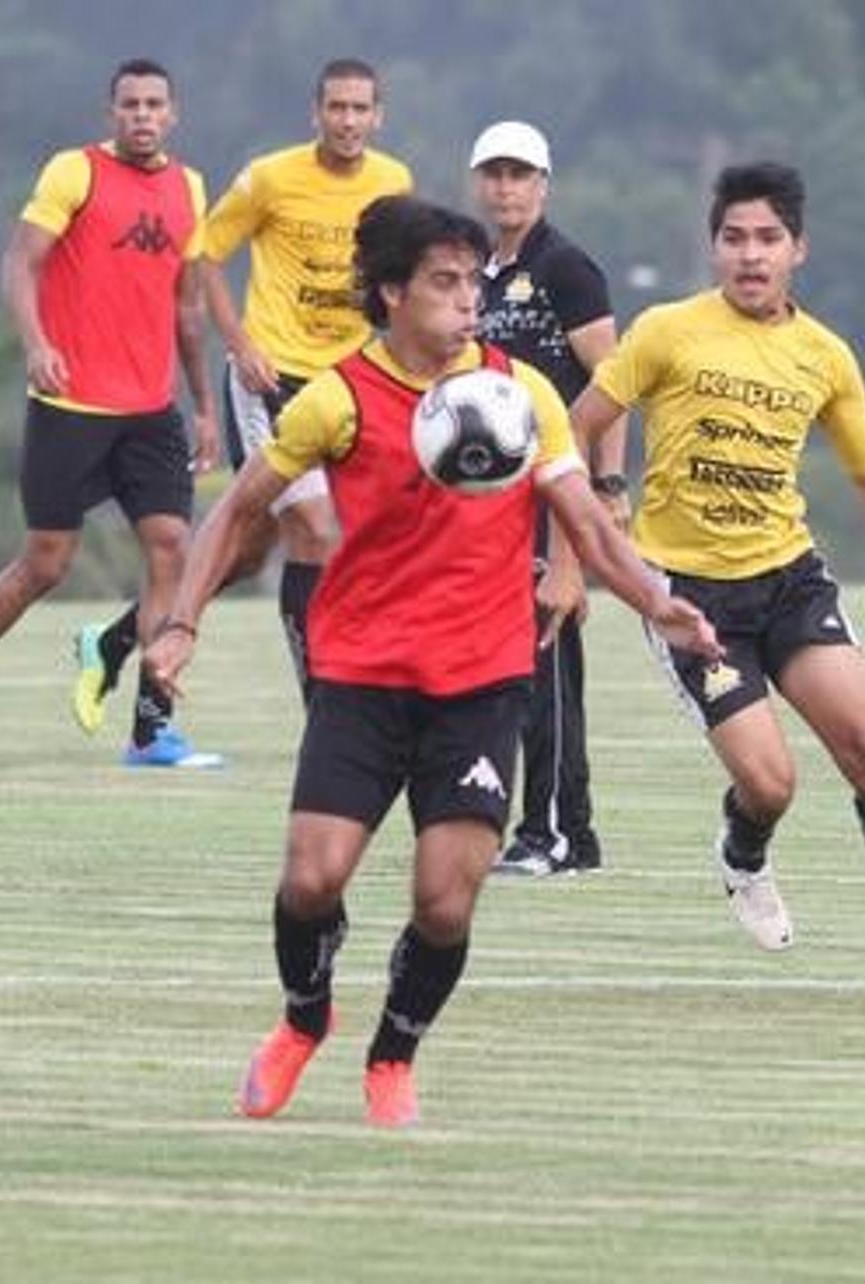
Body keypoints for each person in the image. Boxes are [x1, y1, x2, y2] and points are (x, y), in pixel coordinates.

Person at [144, 196, 720, 1126]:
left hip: (482, 683)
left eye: (473, 285)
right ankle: (303, 1021)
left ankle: (393, 1058)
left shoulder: (520, 396)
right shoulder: (336, 398)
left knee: (446, 901)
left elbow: (586, 524)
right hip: (364, 678)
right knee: (310, 878)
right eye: (446, 285)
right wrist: (180, 625)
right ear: (392, 293)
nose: (468, 304)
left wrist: (655, 598)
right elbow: (237, 512)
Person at [569, 162, 865, 1005]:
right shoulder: (665, 331)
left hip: (791, 582)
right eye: (734, 239)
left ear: (799, 249)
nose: (750, 256)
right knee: (771, 783)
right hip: (690, 599)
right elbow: (574, 432)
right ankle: (742, 851)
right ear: (714, 247)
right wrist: (582, 538)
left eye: (768, 239)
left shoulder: (825, 355)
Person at [0, 58, 220, 772]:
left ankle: (150, 729)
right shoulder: (73, 173)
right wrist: (37, 344)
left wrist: (202, 405)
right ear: (112, 112)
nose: (142, 115)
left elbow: (189, 309)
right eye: (130, 104)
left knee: (173, 549)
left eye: (154, 104)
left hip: (150, 409)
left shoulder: (190, 187)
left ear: (173, 114)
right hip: (70, 403)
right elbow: (20, 263)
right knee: (45, 564)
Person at [70, 57, 411, 717]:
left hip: (347, 384)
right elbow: (203, 253)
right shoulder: (271, 177)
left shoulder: (393, 181)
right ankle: (325, 704)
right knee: (316, 530)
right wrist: (242, 344)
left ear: (378, 116)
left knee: (250, 552)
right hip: (272, 379)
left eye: (359, 109)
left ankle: (112, 641)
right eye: (335, 108)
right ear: (315, 112)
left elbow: (392, 270)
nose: (347, 121)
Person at [469, 120, 624, 879]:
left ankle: (556, 832)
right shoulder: (476, 273)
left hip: (553, 486)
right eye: (495, 173)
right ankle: (557, 828)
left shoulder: (565, 267)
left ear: (544, 185)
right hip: (492, 495)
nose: (507, 187)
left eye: (521, 175)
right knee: (512, 655)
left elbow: (614, 384)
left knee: (547, 647)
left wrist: (608, 487)